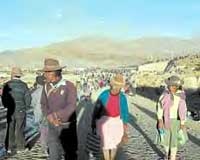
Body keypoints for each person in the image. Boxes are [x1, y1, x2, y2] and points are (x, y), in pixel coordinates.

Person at [40, 58, 78, 160]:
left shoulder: (69, 86)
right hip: (52, 126)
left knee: (69, 154)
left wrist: (56, 115)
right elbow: (43, 104)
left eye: (48, 72)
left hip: (67, 126)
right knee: (53, 155)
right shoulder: (46, 86)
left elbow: (72, 106)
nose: (45, 74)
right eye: (45, 72)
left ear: (56, 72)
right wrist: (49, 116)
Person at [92, 74, 129, 160]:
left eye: (119, 86)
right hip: (104, 121)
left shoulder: (122, 97)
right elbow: (97, 109)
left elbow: (125, 112)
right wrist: (94, 121)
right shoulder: (104, 95)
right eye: (116, 85)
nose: (117, 88)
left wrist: (125, 125)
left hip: (117, 122)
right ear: (112, 85)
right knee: (105, 144)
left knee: (114, 144)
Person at [156, 75, 187, 160]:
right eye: (170, 86)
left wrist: (182, 123)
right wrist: (160, 120)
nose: (172, 88)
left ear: (178, 86)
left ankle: (172, 157)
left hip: (176, 121)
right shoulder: (164, 95)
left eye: (174, 86)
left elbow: (183, 110)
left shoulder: (181, 96)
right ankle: (167, 154)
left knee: (174, 142)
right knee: (165, 140)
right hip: (165, 120)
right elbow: (159, 108)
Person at [2, 67, 31, 154]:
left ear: (12, 75)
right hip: (21, 110)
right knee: (20, 128)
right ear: (19, 75)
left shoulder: (6, 85)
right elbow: (28, 98)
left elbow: (4, 98)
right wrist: (26, 107)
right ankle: (20, 148)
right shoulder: (24, 85)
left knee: (10, 128)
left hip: (10, 110)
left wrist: (7, 106)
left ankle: (9, 148)